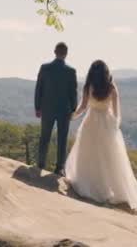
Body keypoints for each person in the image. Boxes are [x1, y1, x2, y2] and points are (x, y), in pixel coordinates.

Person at [65, 60, 137, 211]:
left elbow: (82, 108)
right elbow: (116, 112)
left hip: (91, 123)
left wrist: (71, 116)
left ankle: (91, 185)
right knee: (109, 158)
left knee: (89, 155)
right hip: (107, 124)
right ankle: (111, 189)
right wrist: (114, 127)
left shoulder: (89, 87)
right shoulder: (111, 88)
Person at [34, 42, 78, 176]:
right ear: (66, 53)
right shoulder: (71, 71)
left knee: (44, 137)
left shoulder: (45, 68)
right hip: (64, 110)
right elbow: (73, 93)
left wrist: (38, 107)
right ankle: (59, 167)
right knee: (62, 139)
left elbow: (39, 89)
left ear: (55, 52)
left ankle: (40, 164)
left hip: (47, 108)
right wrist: (73, 109)